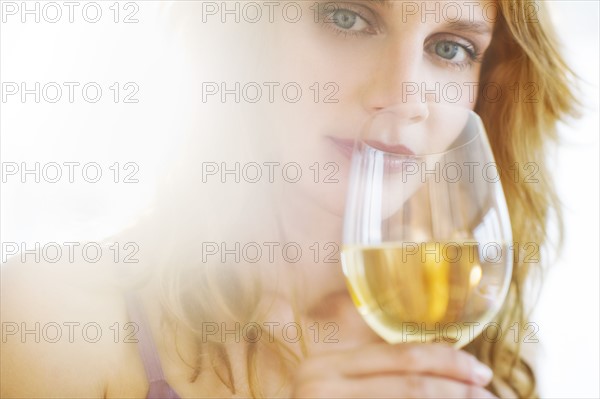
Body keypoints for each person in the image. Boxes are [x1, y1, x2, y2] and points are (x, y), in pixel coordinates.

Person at [1, 1, 577, 398]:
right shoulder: (49, 322)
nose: (401, 96)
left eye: (450, 48)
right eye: (348, 17)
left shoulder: (480, 352)